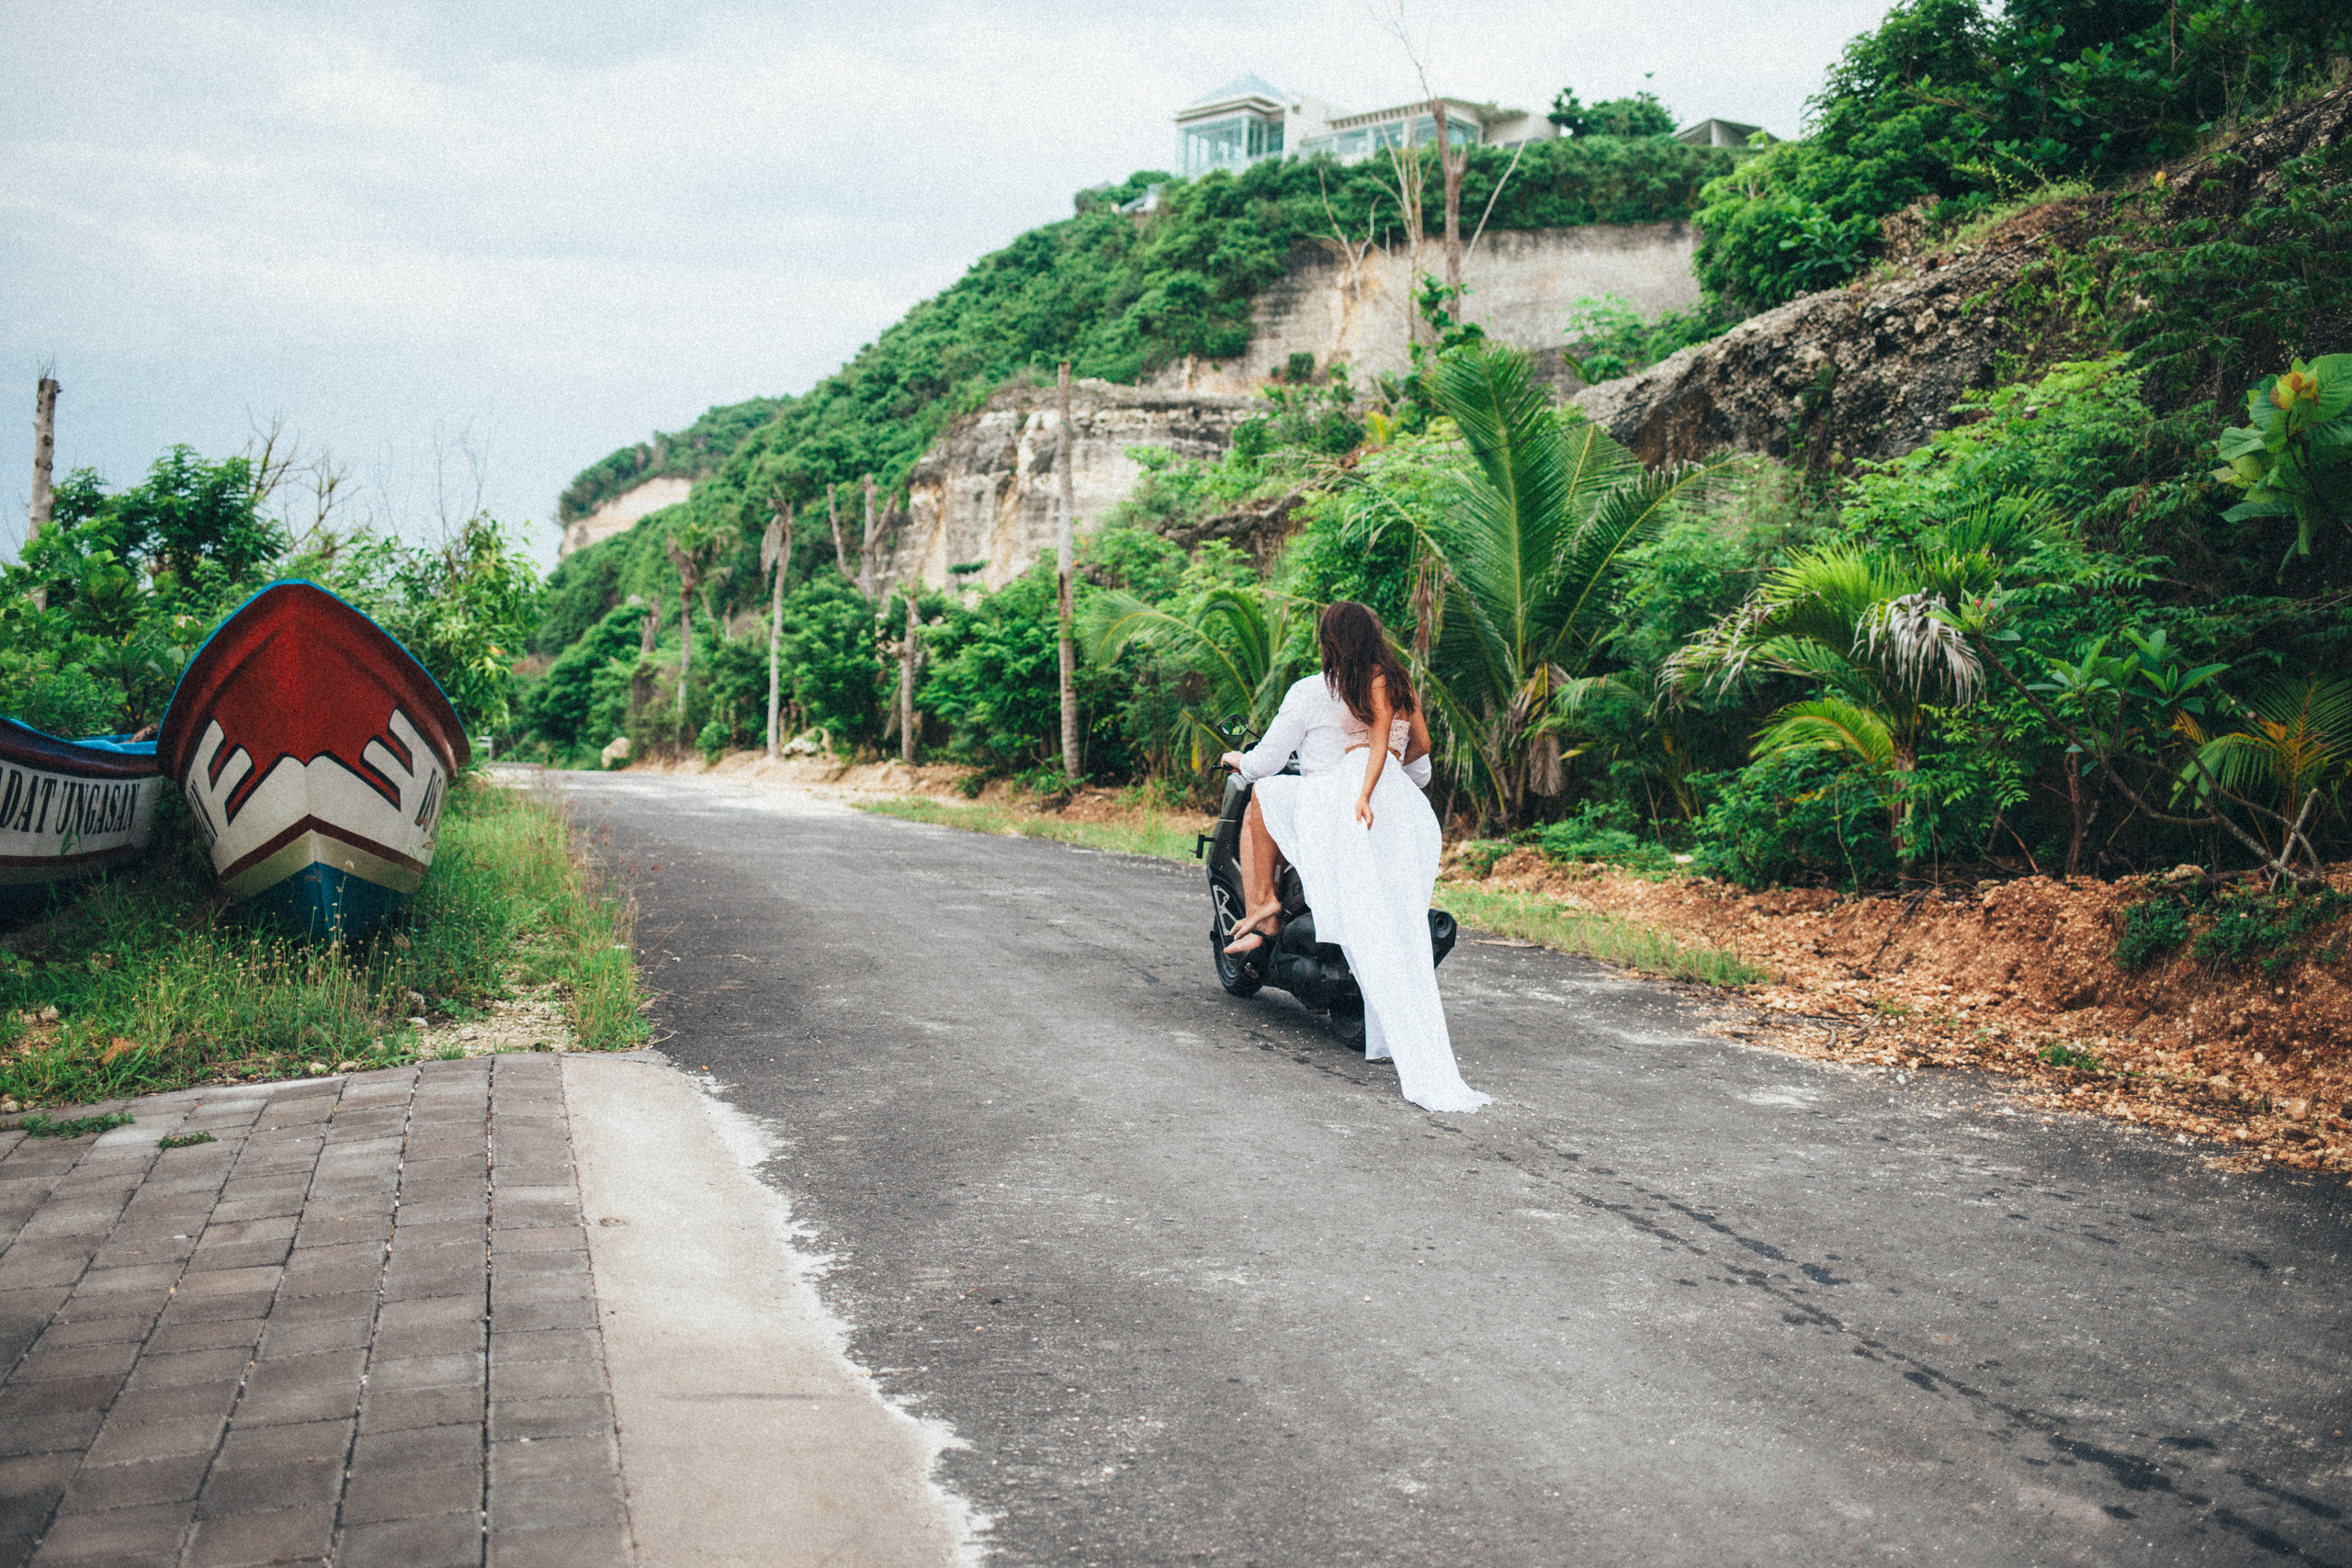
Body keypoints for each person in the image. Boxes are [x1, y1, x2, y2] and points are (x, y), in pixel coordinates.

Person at [1217, 602, 1490, 1114]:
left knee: (1265, 796)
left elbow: (1269, 763)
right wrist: (1388, 773)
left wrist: (1365, 787)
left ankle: (1264, 909)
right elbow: (1421, 750)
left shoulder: (1336, 685)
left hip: (1349, 790)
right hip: (1400, 801)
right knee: (1384, 916)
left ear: (1331, 640)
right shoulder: (1397, 678)